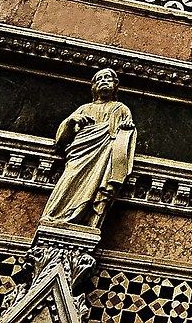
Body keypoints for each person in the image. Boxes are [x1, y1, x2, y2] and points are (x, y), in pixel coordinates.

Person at [39, 69, 138, 231]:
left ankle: (84, 214)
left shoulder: (120, 109)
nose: (104, 81)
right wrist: (72, 121)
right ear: (93, 87)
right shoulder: (85, 108)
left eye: (108, 79)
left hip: (104, 155)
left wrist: (127, 128)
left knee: (96, 186)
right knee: (70, 177)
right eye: (99, 79)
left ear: (115, 86)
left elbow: (126, 131)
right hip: (80, 153)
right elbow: (62, 139)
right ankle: (57, 213)